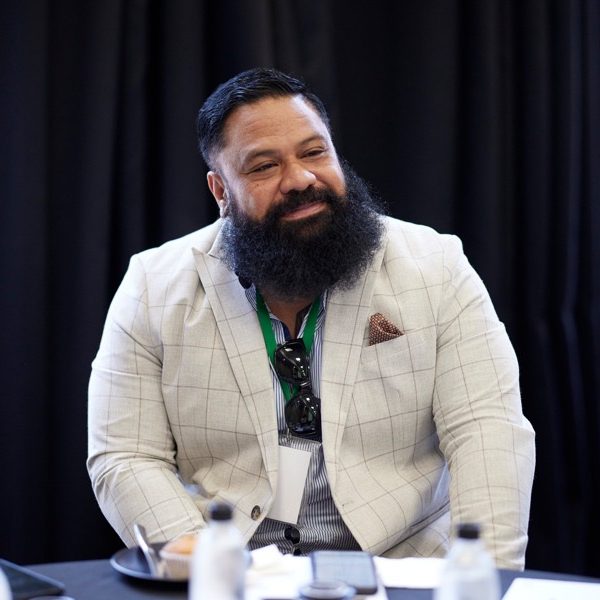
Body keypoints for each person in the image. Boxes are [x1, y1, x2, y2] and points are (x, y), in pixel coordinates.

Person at [87, 67, 535, 569]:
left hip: (404, 564)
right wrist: (209, 568)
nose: (300, 179)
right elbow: (126, 455)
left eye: (314, 152)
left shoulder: (435, 265)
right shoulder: (152, 286)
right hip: (234, 569)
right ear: (220, 191)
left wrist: (485, 577)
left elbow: (487, 430)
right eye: (264, 166)